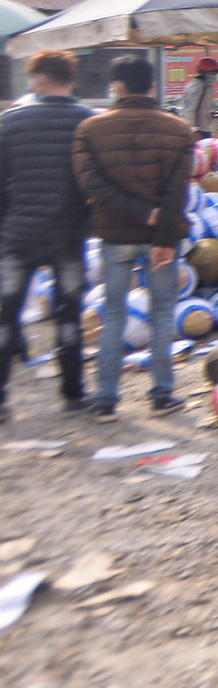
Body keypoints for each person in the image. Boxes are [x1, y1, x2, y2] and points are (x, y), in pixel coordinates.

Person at [72, 55, 195, 419]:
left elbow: (91, 184)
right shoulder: (179, 130)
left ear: (117, 87)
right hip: (162, 239)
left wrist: (139, 214)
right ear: (152, 87)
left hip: (114, 237)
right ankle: (161, 395)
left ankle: (106, 399)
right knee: (160, 314)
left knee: (113, 315)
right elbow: (178, 193)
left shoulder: (90, 130)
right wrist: (162, 233)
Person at [0, 51, 95, 419]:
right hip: (68, 236)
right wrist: (85, 222)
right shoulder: (87, 122)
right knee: (69, 316)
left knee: (6, 318)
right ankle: (73, 395)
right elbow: (93, 183)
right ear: (70, 80)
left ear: (39, 79)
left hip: (18, 237)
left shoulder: (8, 123)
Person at [179, 56, 218, 136]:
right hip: (200, 130)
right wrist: (194, 129)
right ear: (203, 73)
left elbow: (207, 106)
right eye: (212, 74)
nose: (214, 76)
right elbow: (191, 110)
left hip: (206, 127)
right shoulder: (199, 87)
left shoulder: (206, 86)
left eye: (215, 74)